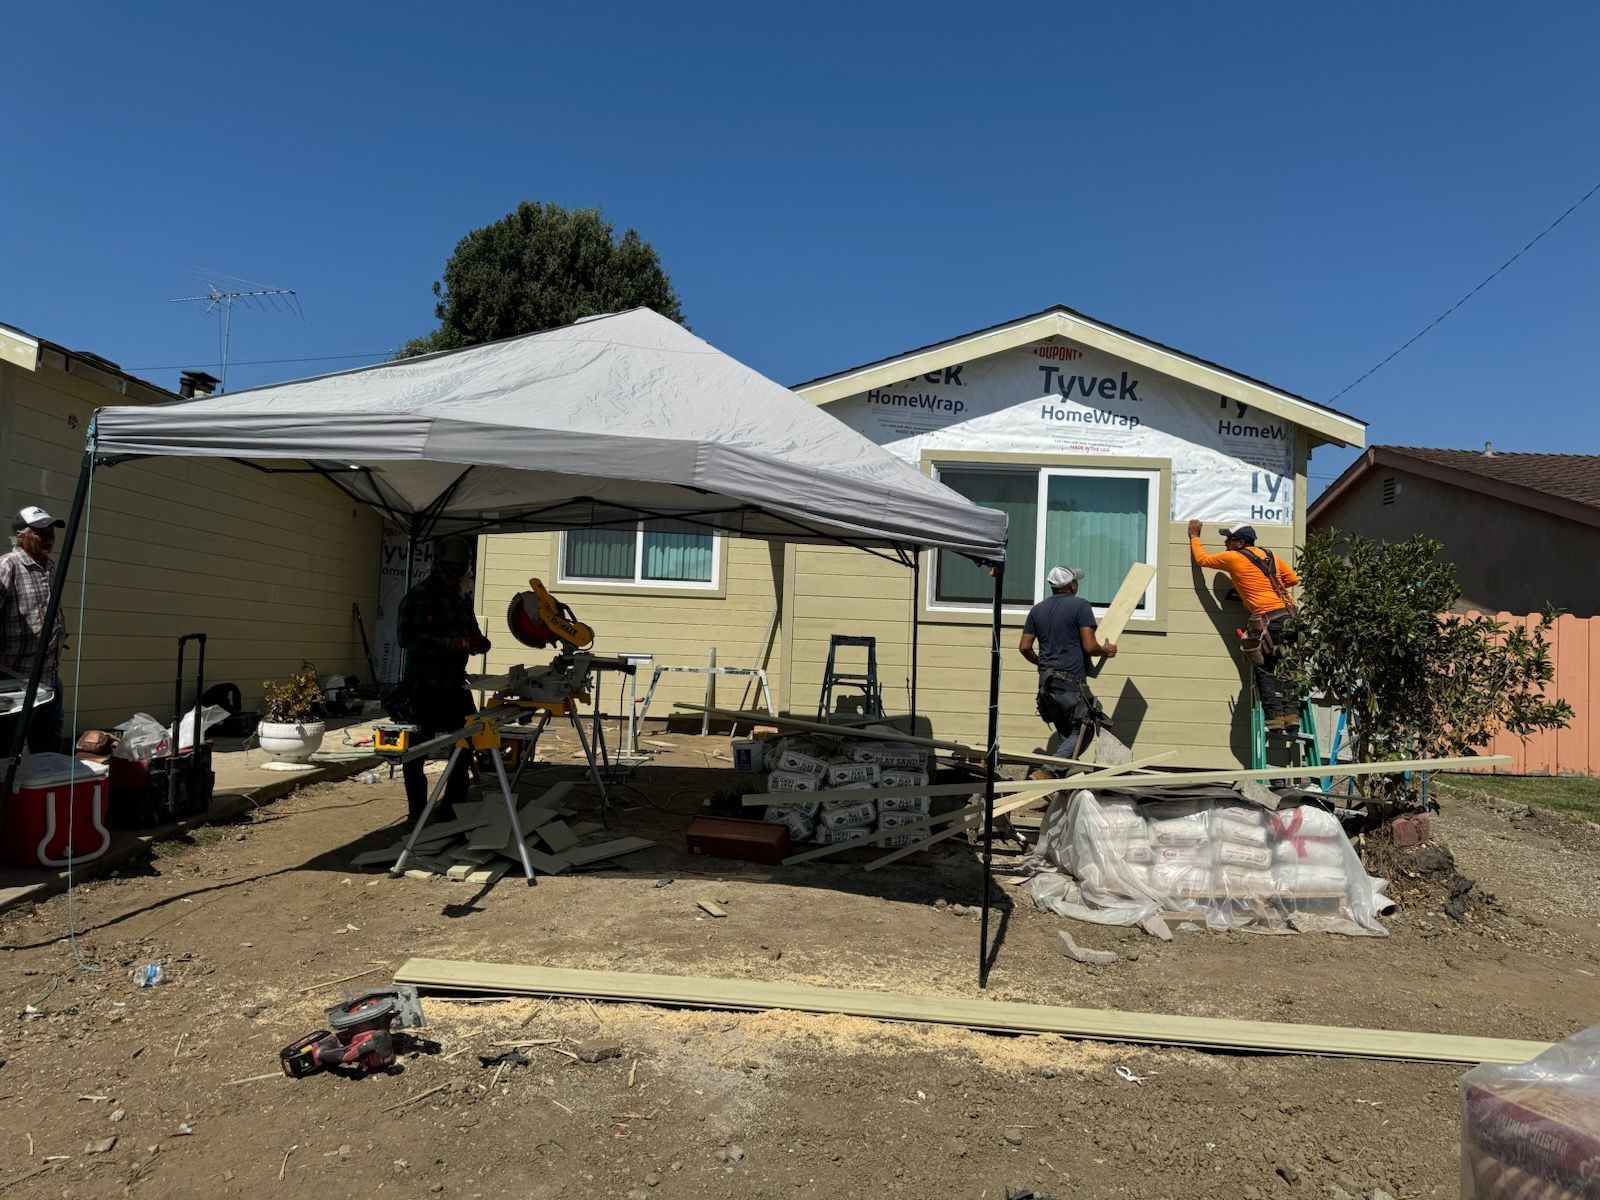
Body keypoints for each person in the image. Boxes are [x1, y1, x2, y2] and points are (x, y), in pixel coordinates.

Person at [396, 535, 490, 825]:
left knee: (464, 744)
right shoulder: (418, 596)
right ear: (436, 564)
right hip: (422, 684)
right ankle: (417, 815)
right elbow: (407, 640)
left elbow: (476, 635)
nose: (452, 575)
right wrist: (453, 644)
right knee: (415, 753)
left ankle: (452, 810)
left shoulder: (461, 601)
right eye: (448, 568)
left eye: (458, 570)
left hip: (453, 685)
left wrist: (479, 643)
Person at [1188, 520, 1301, 729]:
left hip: (1268, 619)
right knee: (1288, 665)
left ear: (1239, 543)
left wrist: (1194, 536)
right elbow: (1292, 579)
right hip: (1290, 616)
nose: (1225, 542)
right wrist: (1262, 587)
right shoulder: (1270, 555)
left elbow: (1202, 560)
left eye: (1229, 539)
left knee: (1264, 667)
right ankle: (1292, 715)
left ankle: (1275, 718)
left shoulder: (1233, 557)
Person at [1018, 565, 1118, 762]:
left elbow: (1024, 647)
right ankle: (1047, 772)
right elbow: (1089, 646)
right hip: (1070, 684)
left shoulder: (1037, 610)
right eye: (1076, 581)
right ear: (1072, 585)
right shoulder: (1080, 606)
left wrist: (1041, 663)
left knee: (1067, 736)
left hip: (1047, 685)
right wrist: (1106, 650)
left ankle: (1062, 785)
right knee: (1086, 728)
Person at [0, 506, 68, 753]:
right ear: (21, 536)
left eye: (51, 530)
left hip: (49, 678)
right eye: (40, 531)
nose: (49, 536)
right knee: (7, 750)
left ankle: (42, 791)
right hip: (17, 681)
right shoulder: (9, 565)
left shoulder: (49, 567)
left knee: (47, 748)